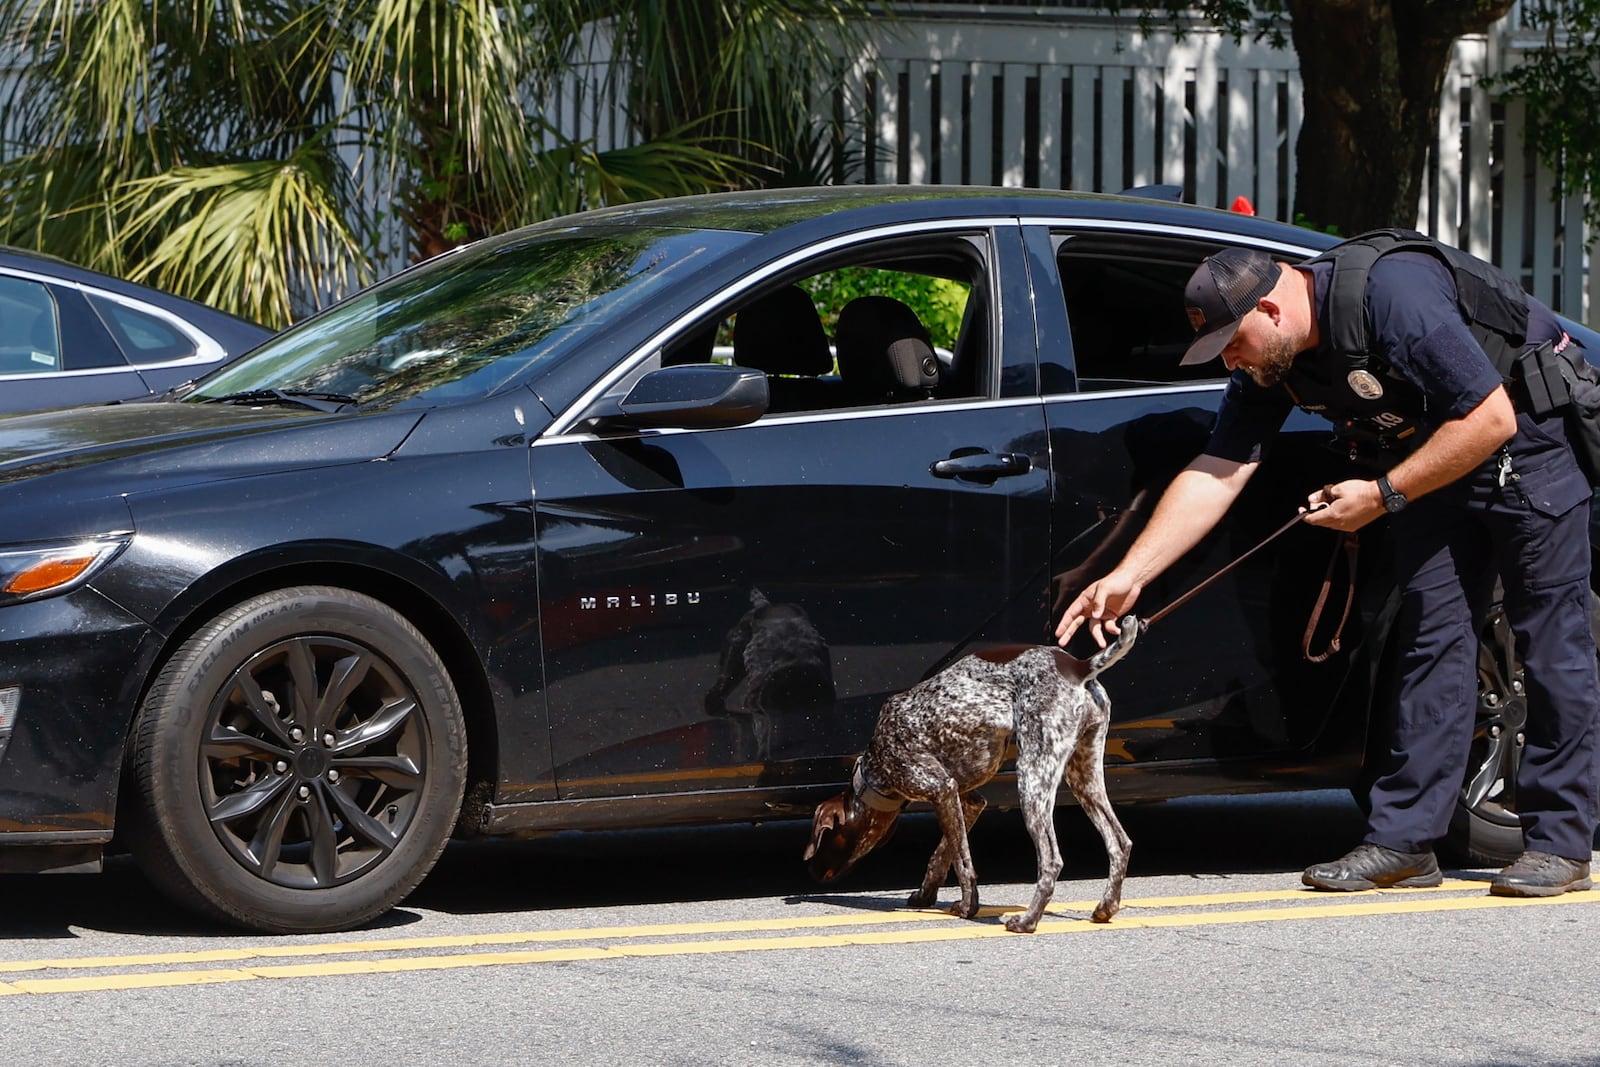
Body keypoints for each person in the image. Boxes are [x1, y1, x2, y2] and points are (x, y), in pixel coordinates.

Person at [1055, 236, 1599, 896]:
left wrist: (1379, 495)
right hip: (1434, 457)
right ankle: (1405, 840)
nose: (1230, 359)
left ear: (1272, 309)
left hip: (1528, 443)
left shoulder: (1393, 297)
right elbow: (1220, 469)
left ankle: (1561, 841)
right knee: (1431, 642)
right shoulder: (1269, 363)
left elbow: (1490, 417)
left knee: (1550, 643)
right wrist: (1127, 576)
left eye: (1233, 340)